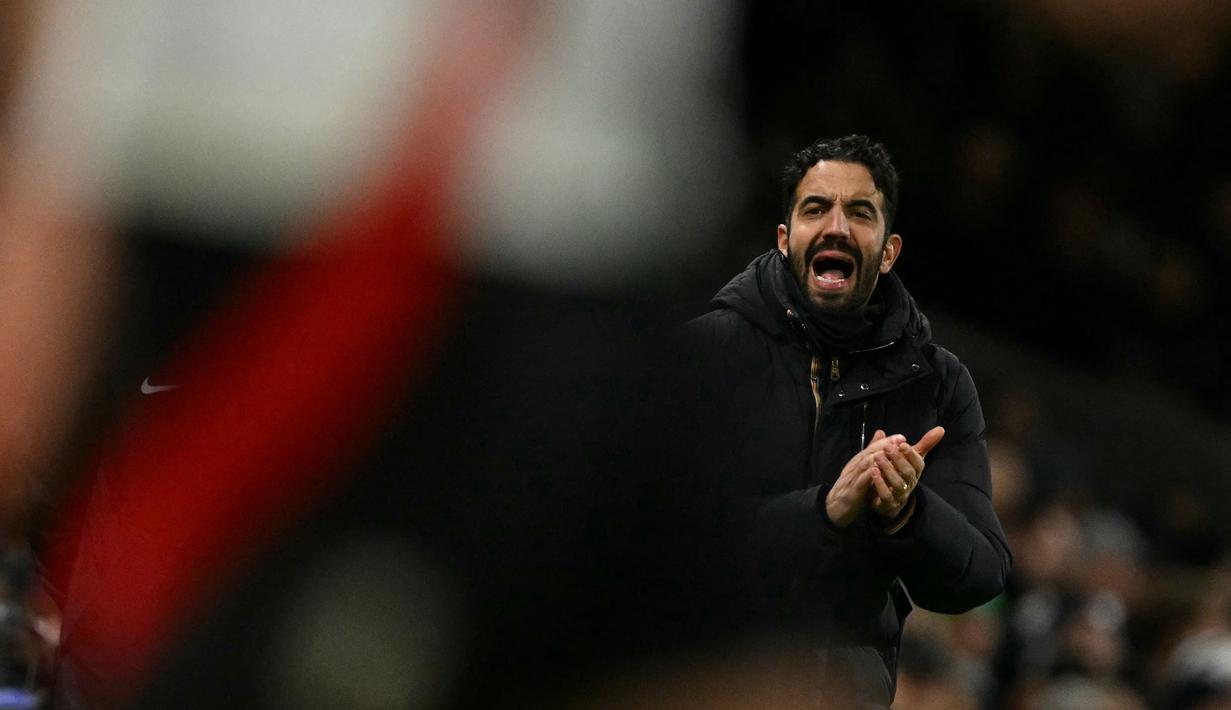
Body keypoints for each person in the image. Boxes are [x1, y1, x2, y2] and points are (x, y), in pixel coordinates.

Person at [681, 135, 1011, 708]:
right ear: (785, 240)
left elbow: (980, 573)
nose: (836, 227)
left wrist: (908, 513)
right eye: (816, 208)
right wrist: (825, 510)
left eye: (860, 213)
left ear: (888, 251)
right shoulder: (708, 354)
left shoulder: (936, 383)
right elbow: (668, 541)